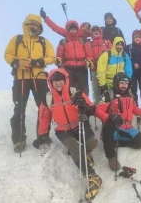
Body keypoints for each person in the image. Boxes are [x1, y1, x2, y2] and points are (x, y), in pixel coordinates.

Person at [35, 69, 102, 199]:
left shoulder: (75, 93)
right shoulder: (48, 98)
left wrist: (84, 106)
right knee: (72, 146)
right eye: (55, 81)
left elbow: (91, 108)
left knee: (92, 143)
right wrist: (43, 135)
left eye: (60, 80)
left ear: (65, 80)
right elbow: (44, 117)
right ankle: (92, 175)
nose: (58, 83)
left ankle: (86, 152)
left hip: (79, 125)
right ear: (50, 82)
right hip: (63, 130)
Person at [4, 13, 56, 152]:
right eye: (30, 23)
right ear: (25, 25)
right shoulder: (17, 40)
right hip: (21, 77)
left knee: (44, 108)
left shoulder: (44, 42)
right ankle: (18, 139)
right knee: (19, 109)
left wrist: (38, 62)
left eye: (36, 24)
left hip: (39, 77)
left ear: (40, 27)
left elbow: (51, 57)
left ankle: (42, 135)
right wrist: (16, 62)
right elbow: (8, 54)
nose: (33, 26)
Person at [95, 72, 141, 171]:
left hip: (127, 128)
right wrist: (110, 116)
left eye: (126, 83)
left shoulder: (130, 95)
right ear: (116, 83)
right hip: (113, 128)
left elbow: (136, 110)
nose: (124, 86)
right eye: (121, 83)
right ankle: (111, 156)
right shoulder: (109, 94)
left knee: (140, 142)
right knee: (108, 125)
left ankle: (117, 143)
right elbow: (97, 110)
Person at [56, 20, 94, 95]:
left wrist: (89, 60)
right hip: (69, 69)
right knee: (70, 89)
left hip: (82, 68)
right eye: (71, 29)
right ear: (68, 30)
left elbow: (89, 52)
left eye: (74, 29)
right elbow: (59, 54)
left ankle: (85, 104)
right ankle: (71, 105)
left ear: (77, 30)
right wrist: (59, 60)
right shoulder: (63, 41)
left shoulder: (83, 40)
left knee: (83, 90)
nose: (73, 31)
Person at [125, 30, 141, 109]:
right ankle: (135, 106)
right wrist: (133, 64)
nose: (137, 39)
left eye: (139, 37)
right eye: (135, 37)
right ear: (133, 38)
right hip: (132, 72)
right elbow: (126, 58)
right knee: (133, 89)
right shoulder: (128, 47)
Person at [89, 25, 112, 104]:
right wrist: (91, 62)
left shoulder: (106, 41)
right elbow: (89, 55)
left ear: (100, 32)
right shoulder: (89, 43)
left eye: (97, 31)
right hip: (94, 69)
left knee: (107, 87)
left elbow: (112, 52)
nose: (96, 32)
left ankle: (109, 104)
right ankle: (97, 106)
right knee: (95, 89)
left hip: (106, 69)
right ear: (91, 33)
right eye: (94, 31)